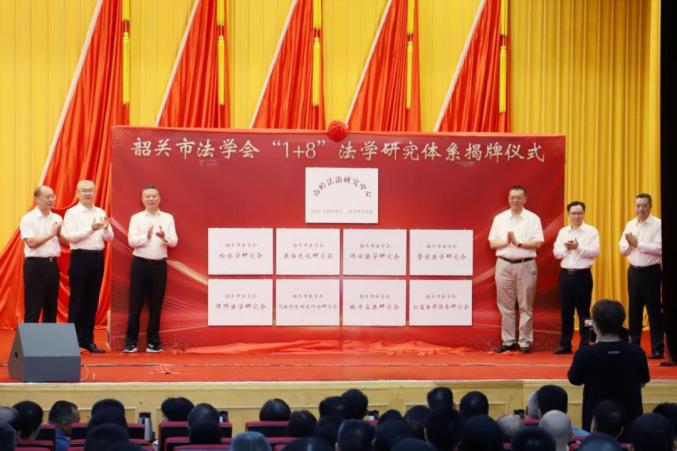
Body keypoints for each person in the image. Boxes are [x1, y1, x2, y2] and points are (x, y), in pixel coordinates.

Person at [567, 300, 650, 434]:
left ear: (595, 324)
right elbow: (643, 381)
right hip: (630, 422)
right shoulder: (636, 352)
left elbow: (574, 379)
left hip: (596, 422)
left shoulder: (585, 354)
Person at [489, 185, 544, 353]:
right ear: (508, 199)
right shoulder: (500, 218)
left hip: (525, 264)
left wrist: (518, 243)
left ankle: (525, 341)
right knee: (505, 305)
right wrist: (507, 241)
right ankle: (508, 341)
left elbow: (538, 242)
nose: (515, 200)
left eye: (519, 197)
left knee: (525, 305)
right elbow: (492, 243)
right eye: (512, 197)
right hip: (503, 264)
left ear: (525, 199)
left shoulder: (533, 218)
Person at [123, 185, 178, 353]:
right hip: (140, 264)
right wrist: (145, 237)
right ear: (142, 199)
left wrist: (165, 237)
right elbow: (131, 242)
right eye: (148, 196)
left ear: (159, 198)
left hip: (159, 265)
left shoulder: (168, 218)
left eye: (154, 196)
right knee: (135, 304)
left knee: (156, 305)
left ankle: (153, 343)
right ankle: (130, 343)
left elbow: (174, 242)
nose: (151, 199)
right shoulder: (136, 218)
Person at [62, 180, 112, 353]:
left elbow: (109, 237)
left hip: (97, 257)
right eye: (84, 190)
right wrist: (91, 228)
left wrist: (106, 228)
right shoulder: (72, 213)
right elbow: (71, 237)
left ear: (95, 192)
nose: (88, 193)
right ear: (77, 193)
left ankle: (87, 340)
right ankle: (72, 342)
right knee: (78, 300)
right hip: (80, 257)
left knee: (92, 300)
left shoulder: (100, 211)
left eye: (91, 190)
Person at [619, 193, 663, 359]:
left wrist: (638, 244)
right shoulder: (630, 224)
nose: (641, 209)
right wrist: (630, 246)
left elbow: (660, 249)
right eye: (638, 205)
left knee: (654, 311)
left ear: (650, 206)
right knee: (634, 310)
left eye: (644, 205)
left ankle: (657, 348)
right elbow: (622, 249)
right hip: (634, 272)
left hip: (651, 272)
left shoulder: (658, 224)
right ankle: (634, 347)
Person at [552, 201, 599, 354]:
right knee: (566, 312)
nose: (576, 216)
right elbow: (556, 253)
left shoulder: (591, 231)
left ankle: (586, 342)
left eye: (579, 213)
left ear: (583, 214)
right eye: (573, 213)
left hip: (582, 275)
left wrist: (578, 248)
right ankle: (565, 344)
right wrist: (567, 249)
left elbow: (595, 252)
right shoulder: (563, 232)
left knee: (585, 313)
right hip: (565, 275)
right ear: (569, 214)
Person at [19, 185, 64, 323]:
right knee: (33, 306)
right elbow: (31, 242)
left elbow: (65, 242)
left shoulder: (57, 218)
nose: (51, 200)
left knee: (51, 307)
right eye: (47, 197)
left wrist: (60, 234)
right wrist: (52, 233)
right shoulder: (28, 218)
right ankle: (29, 337)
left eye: (52, 196)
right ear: (37, 199)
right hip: (35, 266)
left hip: (52, 265)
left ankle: (49, 337)